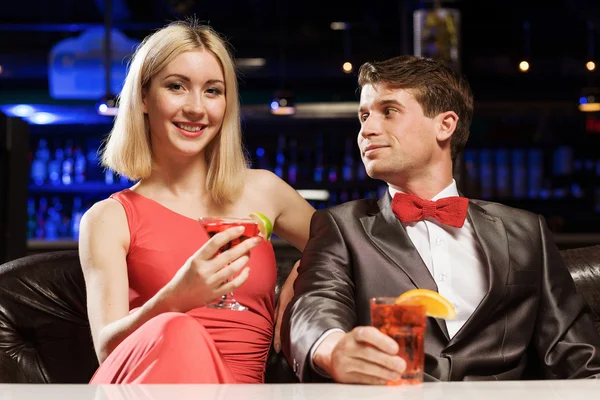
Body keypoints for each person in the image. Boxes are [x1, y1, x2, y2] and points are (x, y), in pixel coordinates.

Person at [282, 55, 600, 384]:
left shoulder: (526, 231)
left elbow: (576, 356)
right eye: (364, 116)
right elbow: (316, 304)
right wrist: (332, 349)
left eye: (388, 111)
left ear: (445, 125)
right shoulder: (340, 226)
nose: (367, 130)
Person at [79, 19, 314, 384]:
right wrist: (175, 299)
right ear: (143, 97)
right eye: (176, 87)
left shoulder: (263, 190)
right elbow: (107, 350)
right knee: (178, 329)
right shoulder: (108, 218)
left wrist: (311, 268)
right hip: (146, 388)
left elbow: (348, 246)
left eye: (212, 91)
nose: (196, 108)